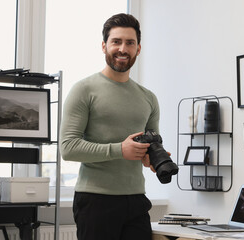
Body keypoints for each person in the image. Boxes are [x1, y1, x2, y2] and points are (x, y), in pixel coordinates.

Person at [59, 13, 159, 240]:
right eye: (116, 41)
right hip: (96, 200)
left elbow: (152, 141)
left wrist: (152, 157)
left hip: (137, 200)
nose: (123, 48)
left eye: (130, 43)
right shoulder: (84, 90)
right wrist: (119, 150)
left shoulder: (149, 98)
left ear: (138, 49)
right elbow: (68, 147)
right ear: (104, 46)